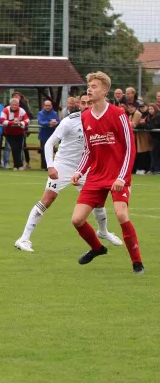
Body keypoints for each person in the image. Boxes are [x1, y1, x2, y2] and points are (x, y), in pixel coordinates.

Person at [14, 93, 122, 252]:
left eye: (89, 103)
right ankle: (24, 238)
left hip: (85, 168)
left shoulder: (99, 121)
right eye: (83, 103)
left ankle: (103, 232)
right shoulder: (69, 122)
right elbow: (49, 143)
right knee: (48, 198)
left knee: (98, 202)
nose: (86, 105)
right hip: (63, 165)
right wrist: (51, 166)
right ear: (79, 105)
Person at [70, 72, 144, 274]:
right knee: (77, 220)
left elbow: (130, 148)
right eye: (89, 86)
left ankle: (137, 263)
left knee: (121, 214)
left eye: (94, 86)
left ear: (104, 91)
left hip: (117, 175)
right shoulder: (85, 116)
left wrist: (122, 176)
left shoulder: (118, 114)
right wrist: (79, 171)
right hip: (95, 175)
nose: (89, 89)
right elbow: (87, 149)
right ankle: (97, 248)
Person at [0, 98, 30, 170]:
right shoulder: (5, 110)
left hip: (20, 132)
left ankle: (17, 166)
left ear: (18, 105)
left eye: (16, 104)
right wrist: (12, 123)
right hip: (9, 133)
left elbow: (27, 120)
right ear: (10, 104)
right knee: (14, 148)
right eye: (13, 104)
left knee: (19, 149)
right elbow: (2, 120)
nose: (14, 106)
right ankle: (18, 165)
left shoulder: (22, 110)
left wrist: (21, 123)